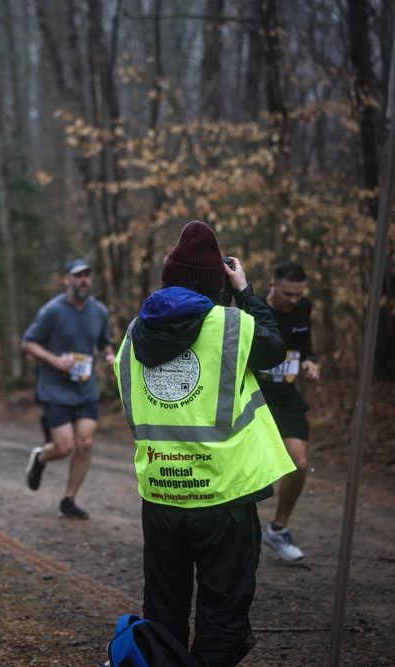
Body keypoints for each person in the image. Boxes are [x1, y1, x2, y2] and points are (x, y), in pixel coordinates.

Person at [114, 220, 294, 666]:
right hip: (223, 499)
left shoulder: (132, 336)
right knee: (222, 617)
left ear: (166, 279)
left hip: (160, 496)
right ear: (219, 282)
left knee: (163, 613)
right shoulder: (232, 325)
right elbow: (275, 349)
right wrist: (245, 292)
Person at [22, 258, 116, 520]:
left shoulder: (99, 312)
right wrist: (53, 360)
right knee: (64, 448)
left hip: (85, 389)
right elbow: (28, 343)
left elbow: (104, 344)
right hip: (55, 389)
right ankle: (41, 457)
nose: (84, 280)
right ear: (67, 280)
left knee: (85, 443)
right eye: (78, 276)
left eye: (87, 275)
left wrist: (109, 357)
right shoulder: (52, 311)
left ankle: (68, 499)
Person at [257, 261, 320, 562]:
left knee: (299, 461)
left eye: (298, 294)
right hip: (254, 398)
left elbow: (305, 346)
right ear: (272, 287)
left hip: (286, 397)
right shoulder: (254, 307)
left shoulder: (303, 308)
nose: (294, 300)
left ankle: (277, 530)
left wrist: (310, 360)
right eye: (287, 294)